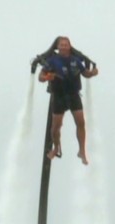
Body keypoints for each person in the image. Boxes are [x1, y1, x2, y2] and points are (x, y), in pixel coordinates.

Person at [37, 36, 99, 165]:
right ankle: (56, 148)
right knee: (56, 127)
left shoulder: (75, 61)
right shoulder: (53, 61)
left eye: (66, 44)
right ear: (58, 47)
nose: (64, 46)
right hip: (59, 96)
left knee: (81, 122)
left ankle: (82, 150)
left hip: (73, 95)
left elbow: (85, 73)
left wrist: (93, 73)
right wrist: (48, 76)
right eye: (62, 45)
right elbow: (41, 76)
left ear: (69, 46)